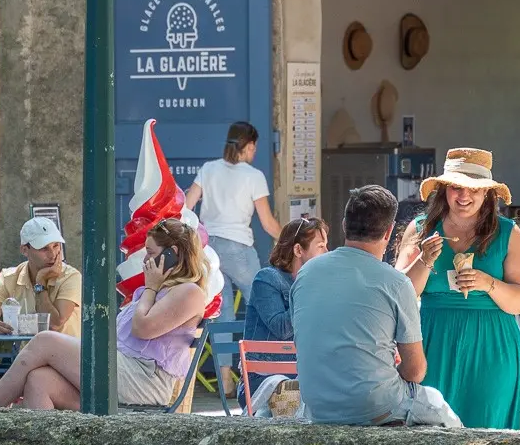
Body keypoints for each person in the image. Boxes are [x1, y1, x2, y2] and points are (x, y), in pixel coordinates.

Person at [0, 218, 208, 410]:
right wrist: (151, 289)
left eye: (150, 252)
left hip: (143, 380)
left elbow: (142, 328)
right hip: (120, 369)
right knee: (39, 380)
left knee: (45, 340)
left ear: (172, 254)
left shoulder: (189, 292)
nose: (145, 259)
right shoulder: (156, 290)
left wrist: (151, 287)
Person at [292, 185, 461, 428]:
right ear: (389, 231)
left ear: (343, 224)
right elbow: (415, 372)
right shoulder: (395, 283)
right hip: (376, 407)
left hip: (316, 406)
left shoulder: (306, 273)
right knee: (439, 406)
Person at [395, 148, 520, 429]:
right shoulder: (420, 230)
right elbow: (400, 296)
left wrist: (489, 284)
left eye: (474, 189)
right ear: (444, 190)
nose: (464, 196)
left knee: (489, 431)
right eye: (456, 187)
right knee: (432, 431)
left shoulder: (508, 233)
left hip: (492, 344)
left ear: (488, 194)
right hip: (433, 340)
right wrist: (424, 260)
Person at [184, 121, 282, 396]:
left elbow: (187, 206)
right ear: (249, 146)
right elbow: (267, 224)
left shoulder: (208, 169)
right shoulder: (253, 176)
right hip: (239, 250)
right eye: (255, 148)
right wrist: (293, 237)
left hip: (209, 250)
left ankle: (225, 379)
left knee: (222, 313)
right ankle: (268, 373)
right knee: (265, 306)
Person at [0, 217, 81, 400]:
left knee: (34, 379)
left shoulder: (71, 277)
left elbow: (55, 323)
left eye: (56, 246)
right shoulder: (9, 277)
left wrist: (40, 285)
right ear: (24, 250)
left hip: (60, 362)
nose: (53, 254)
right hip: (19, 356)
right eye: (44, 248)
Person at [237, 216, 328, 412]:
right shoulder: (267, 279)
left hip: (302, 376)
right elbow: (282, 328)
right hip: (263, 381)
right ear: (298, 250)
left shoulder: (317, 287)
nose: (327, 253)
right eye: (320, 246)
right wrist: (307, 287)